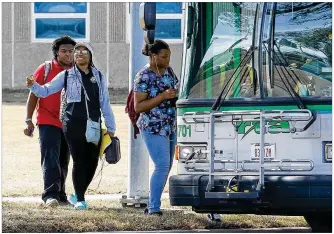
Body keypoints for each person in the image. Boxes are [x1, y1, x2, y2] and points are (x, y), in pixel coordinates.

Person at [26, 42, 116, 210]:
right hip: (72, 124)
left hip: (94, 124)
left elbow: (105, 103)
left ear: (90, 55)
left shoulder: (99, 76)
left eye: (83, 51)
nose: (79, 53)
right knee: (79, 160)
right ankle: (80, 199)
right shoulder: (66, 75)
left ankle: (78, 193)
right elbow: (45, 91)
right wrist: (33, 86)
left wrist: (111, 127)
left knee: (92, 161)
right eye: (77, 51)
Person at [23, 36, 76, 207]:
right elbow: (34, 93)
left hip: (69, 122)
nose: (68, 54)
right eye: (64, 51)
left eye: (71, 51)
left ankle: (61, 195)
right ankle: (50, 195)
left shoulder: (77, 70)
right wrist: (28, 120)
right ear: (57, 53)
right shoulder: (45, 68)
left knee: (64, 159)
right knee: (50, 157)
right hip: (47, 119)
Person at [134, 39, 178, 216]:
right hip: (153, 126)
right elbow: (139, 107)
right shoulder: (143, 76)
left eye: (169, 56)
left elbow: (174, 90)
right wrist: (162, 96)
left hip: (170, 125)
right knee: (161, 165)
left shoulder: (168, 71)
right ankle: (153, 208)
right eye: (164, 56)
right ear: (153, 56)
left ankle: (154, 203)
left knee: (166, 166)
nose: (168, 60)